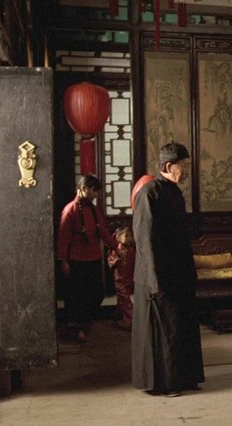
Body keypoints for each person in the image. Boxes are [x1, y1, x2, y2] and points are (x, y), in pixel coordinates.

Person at [132, 142, 204, 397]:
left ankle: (185, 378)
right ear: (168, 166)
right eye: (183, 166)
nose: (186, 171)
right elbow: (145, 240)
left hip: (178, 272)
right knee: (165, 330)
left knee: (182, 326)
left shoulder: (174, 192)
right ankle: (165, 383)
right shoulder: (149, 193)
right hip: (158, 274)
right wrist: (155, 281)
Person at [57, 174, 118, 343]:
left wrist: (114, 246)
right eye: (94, 191)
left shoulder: (93, 209)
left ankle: (84, 322)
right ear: (83, 189)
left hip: (93, 258)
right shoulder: (70, 210)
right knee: (76, 297)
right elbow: (63, 238)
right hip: (76, 260)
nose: (96, 195)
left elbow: (103, 231)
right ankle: (75, 329)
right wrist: (63, 261)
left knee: (97, 293)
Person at [107, 226, 135, 331]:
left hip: (130, 279)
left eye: (130, 236)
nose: (129, 238)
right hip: (120, 281)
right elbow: (110, 262)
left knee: (122, 302)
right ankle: (131, 322)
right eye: (126, 236)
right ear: (118, 237)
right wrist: (114, 261)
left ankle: (115, 319)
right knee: (127, 302)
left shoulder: (132, 250)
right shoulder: (117, 250)